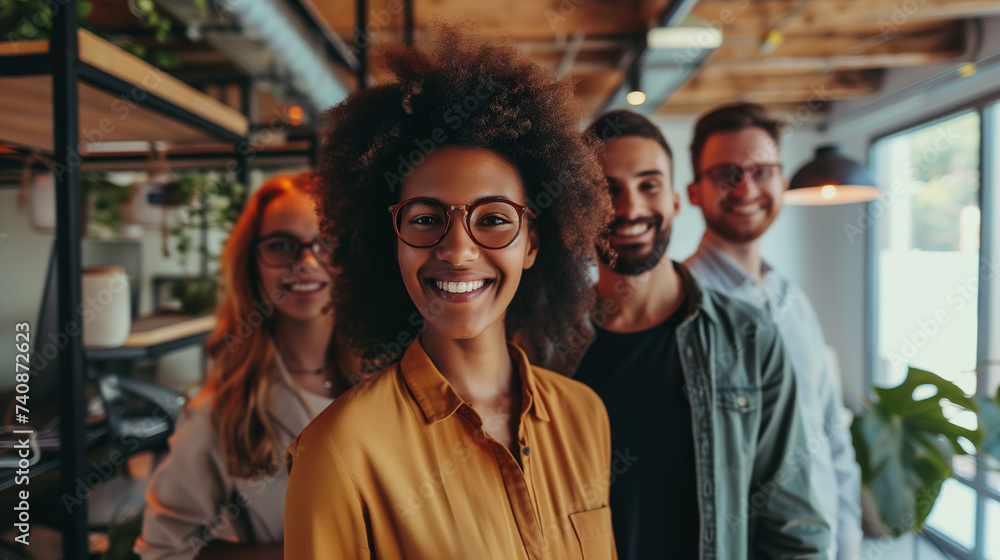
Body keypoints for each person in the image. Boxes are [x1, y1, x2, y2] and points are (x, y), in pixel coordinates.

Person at [284, 26, 617, 559]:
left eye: (492, 218)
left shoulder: (585, 417)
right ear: (388, 243)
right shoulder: (338, 453)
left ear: (533, 244)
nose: (458, 251)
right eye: (425, 219)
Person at [543, 109, 830, 560]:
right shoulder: (539, 343)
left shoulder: (750, 336)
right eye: (606, 189)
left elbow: (791, 523)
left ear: (675, 200)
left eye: (649, 184)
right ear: (579, 207)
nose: (630, 207)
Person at [135, 171, 356, 560]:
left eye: (326, 243)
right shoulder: (220, 411)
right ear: (252, 264)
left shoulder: (395, 376)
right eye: (281, 245)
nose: (305, 261)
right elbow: (163, 551)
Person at [684, 102, 862, 560]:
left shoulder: (794, 300)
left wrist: (847, 541)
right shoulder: (681, 306)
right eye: (726, 173)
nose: (745, 187)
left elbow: (830, 428)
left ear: (782, 183)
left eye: (762, 171)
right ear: (694, 192)